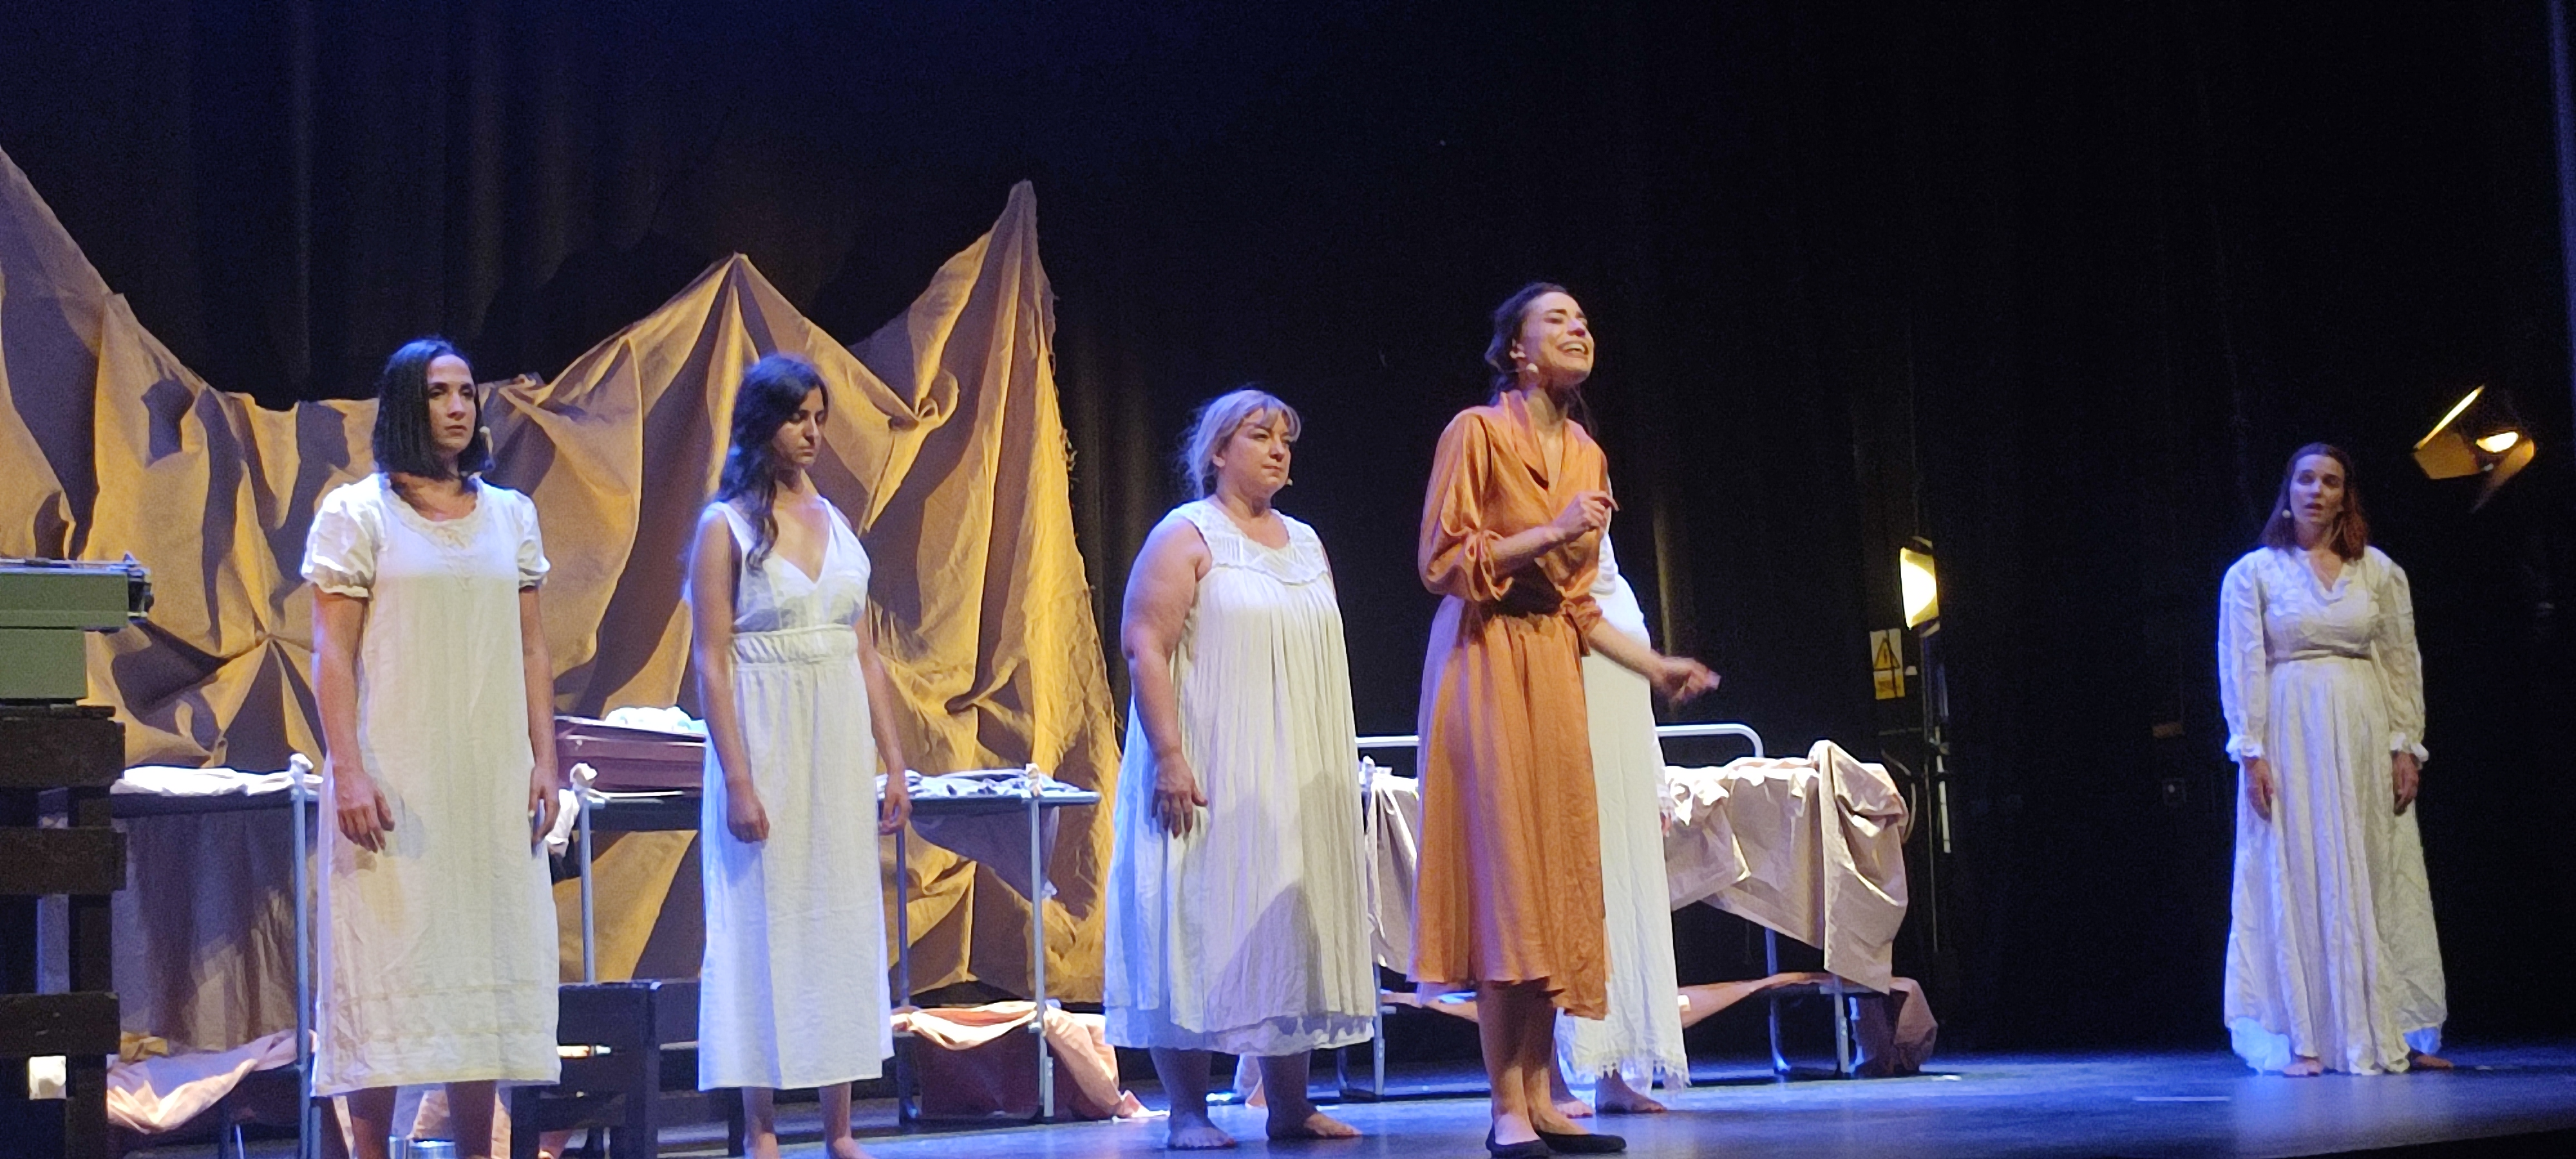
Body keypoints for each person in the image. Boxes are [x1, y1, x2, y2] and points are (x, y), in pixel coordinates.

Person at [1415, 285, 1717, 1158]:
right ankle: (1505, 1106)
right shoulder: (1475, 433)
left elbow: (1580, 603)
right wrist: (1548, 531)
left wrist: (1655, 667)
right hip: (1483, 655)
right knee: (1508, 878)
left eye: (1584, 319)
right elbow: (1441, 561)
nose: (1579, 327)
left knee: (1553, 877)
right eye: (1557, 319)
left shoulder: (1587, 453)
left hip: (1553, 663)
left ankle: (1543, 1096)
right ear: (1516, 350)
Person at [305, 339, 561, 1159]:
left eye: (465, 393)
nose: (457, 407)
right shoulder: (358, 514)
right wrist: (348, 768)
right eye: (438, 393)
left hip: (487, 777)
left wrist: (544, 760)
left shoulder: (510, 515)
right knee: (387, 967)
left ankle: (477, 1151)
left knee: (478, 966)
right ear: (404, 406)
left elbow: (531, 649)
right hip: (396, 775)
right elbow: (332, 654)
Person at [1105, 387, 1376, 1150]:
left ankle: (1289, 1105)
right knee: (1195, 918)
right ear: (1218, 451)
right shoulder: (1186, 535)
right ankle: (1188, 1112)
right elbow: (1144, 644)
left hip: (1291, 769)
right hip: (1208, 764)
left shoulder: (1307, 543)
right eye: (1259, 435)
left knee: (1286, 921)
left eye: (1285, 438)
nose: (1278, 449)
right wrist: (1169, 757)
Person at [688, 354, 914, 1159]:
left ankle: (840, 1126)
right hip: (765, 736)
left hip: (836, 743)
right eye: (796, 418)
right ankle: (761, 1126)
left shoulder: (835, 520)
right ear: (762, 425)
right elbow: (712, 660)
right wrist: (738, 780)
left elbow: (865, 653)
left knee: (839, 920)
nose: (812, 432)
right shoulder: (726, 527)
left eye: (819, 417)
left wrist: (893, 762)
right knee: (762, 921)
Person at [2219, 443, 2449, 1076]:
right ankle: (2305, 1036)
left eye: (2331, 482)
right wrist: (2251, 752)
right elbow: (2242, 666)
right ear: (2287, 491)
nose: (2317, 491)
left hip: (2362, 733)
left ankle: (2390, 1029)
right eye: (2306, 480)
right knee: (2294, 869)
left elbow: (2400, 662)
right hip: (2290, 735)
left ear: (2346, 496)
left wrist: (2405, 745)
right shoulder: (2254, 574)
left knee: (2377, 867)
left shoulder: (2377, 571)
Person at [1551, 532, 1691, 1114]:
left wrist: (1655, 785)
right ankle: (1549, 1082)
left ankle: (1612, 1076)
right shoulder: (1552, 594)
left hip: (1624, 775)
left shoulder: (1623, 593)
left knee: (1620, 915)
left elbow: (1640, 703)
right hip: (1572, 770)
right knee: (1566, 911)